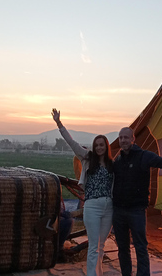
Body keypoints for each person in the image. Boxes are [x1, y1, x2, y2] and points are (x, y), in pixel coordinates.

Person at [52, 108, 113, 276]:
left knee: (101, 246)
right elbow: (72, 143)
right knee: (94, 245)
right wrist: (59, 124)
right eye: (97, 145)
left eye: (102, 145)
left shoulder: (112, 165)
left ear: (106, 147)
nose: (99, 148)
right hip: (92, 206)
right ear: (94, 147)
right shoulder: (87, 158)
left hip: (109, 207)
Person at [113, 125, 162, 276]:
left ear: (133, 139)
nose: (123, 140)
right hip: (118, 211)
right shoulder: (118, 159)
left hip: (136, 210)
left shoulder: (144, 156)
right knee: (122, 248)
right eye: (121, 138)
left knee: (140, 247)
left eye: (126, 137)